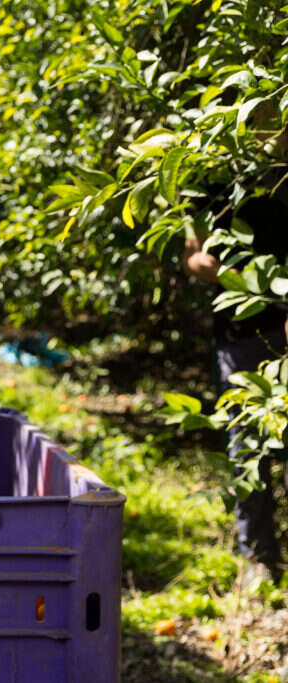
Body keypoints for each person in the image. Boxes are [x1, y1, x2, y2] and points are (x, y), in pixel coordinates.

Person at [183, 172, 288, 584]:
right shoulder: (214, 178)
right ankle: (259, 558)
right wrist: (241, 280)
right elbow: (192, 255)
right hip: (239, 335)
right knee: (248, 448)